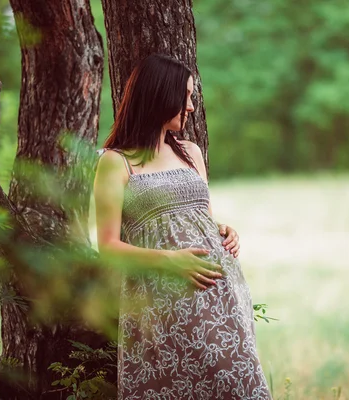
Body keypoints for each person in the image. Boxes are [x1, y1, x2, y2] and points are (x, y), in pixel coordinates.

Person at [93, 53, 271, 399]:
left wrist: (223, 229)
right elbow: (108, 246)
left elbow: (195, 215)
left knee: (239, 387)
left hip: (221, 296)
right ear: (161, 96)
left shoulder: (191, 152)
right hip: (162, 303)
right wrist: (171, 260)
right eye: (186, 96)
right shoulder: (115, 162)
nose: (191, 106)